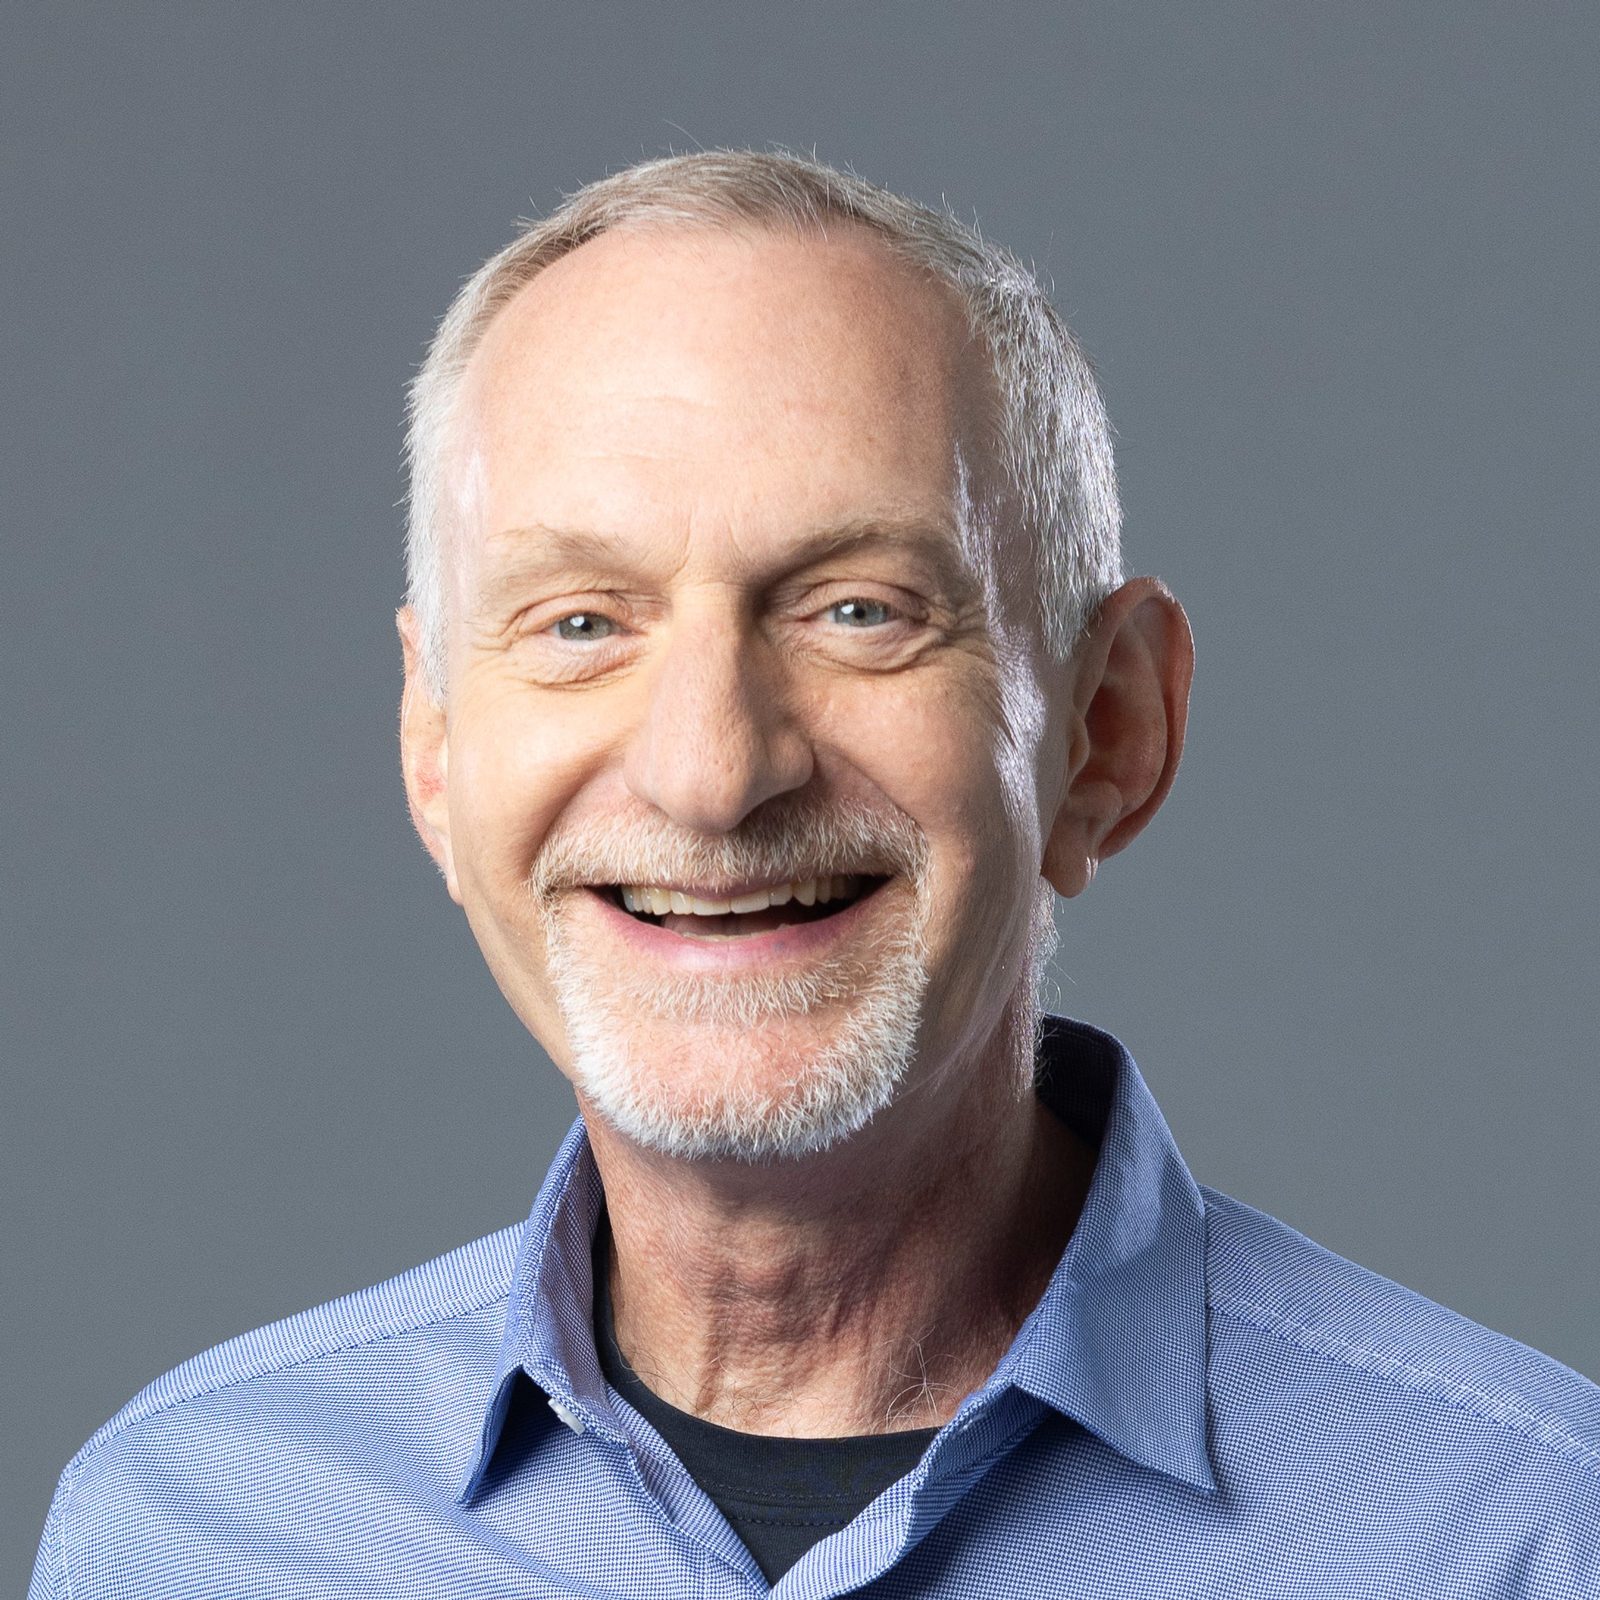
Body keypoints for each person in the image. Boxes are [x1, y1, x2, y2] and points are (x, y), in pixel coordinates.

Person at [30, 149, 1599, 1599]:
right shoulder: (188, 1530)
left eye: (858, 609)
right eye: (582, 624)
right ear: (436, 751)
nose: (713, 771)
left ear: (1108, 729)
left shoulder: (1518, 1533)